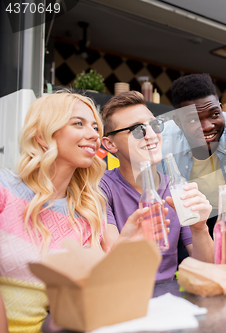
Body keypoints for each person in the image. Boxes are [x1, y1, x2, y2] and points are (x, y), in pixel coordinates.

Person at [0, 92, 156, 333]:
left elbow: (91, 295)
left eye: (95, 126)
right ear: (43, 135)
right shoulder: (4, 188)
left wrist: (124, 246)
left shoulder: (88, 210)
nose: (94, 134)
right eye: (78, 123)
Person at [100, 91, 213, 281]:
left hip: (170, 298)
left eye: (154, 125)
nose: (151, 135)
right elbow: (109, 263)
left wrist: (200, 228)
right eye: (137, 129)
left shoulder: (178, 188)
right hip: (124, 298)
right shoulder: (101, 188)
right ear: (110, 144)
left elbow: (207, 270)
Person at [161, 73, 226, 238]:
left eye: (214, 114)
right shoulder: (164, 141)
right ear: (178, 121)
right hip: (188, 215)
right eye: (193, 120)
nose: (207, 127)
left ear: (220, 108)